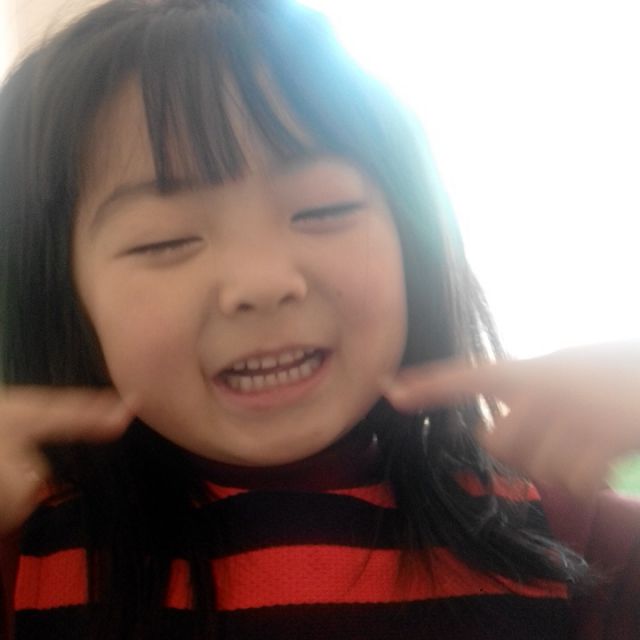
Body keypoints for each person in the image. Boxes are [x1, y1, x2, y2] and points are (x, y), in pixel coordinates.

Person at [0, 1, 638, 638]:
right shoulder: (24, 552)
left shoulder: (563, 530)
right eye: (164, 241)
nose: (263, 283)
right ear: (61, 294)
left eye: (323, 210)